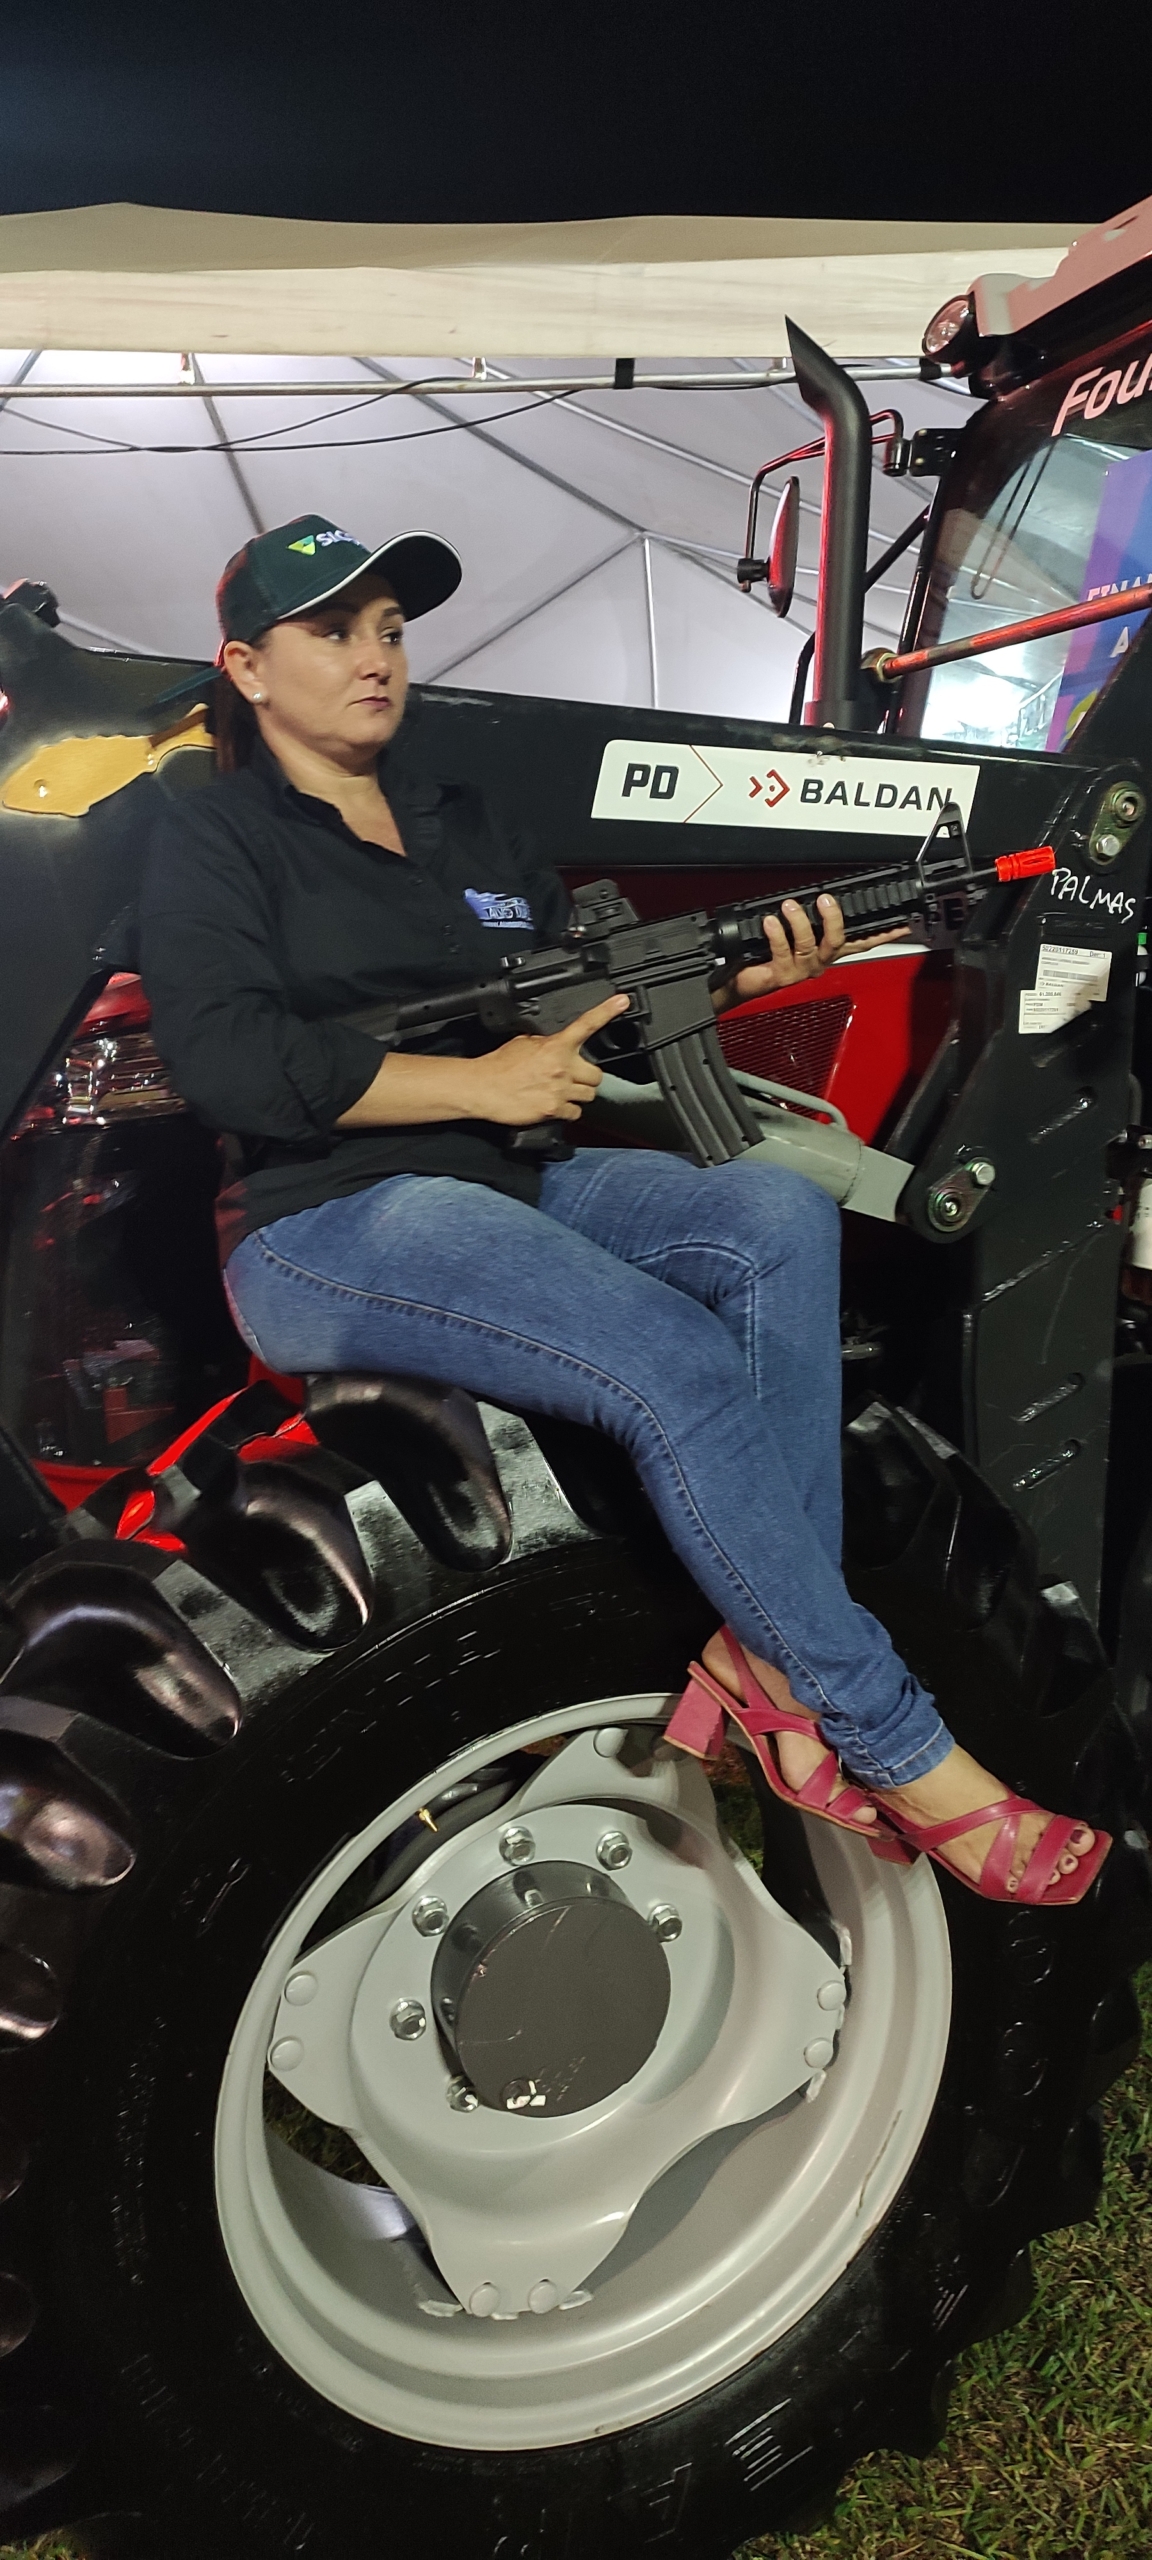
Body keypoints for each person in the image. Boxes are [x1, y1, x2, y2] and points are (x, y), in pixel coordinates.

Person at [140, 513, 1108, 1908]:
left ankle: (771, 1667)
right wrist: (475, 1081)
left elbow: (593, 1009)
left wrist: (738, 977)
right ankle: (892, 1740)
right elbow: (228, 1060)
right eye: (334, 632)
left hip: (517, 1173)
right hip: (331, 1217)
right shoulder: (212, 832)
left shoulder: (462, 818)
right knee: (672, 1357)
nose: (375, 658)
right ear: (246, 667)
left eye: (391, 630)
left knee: (776, 1216)